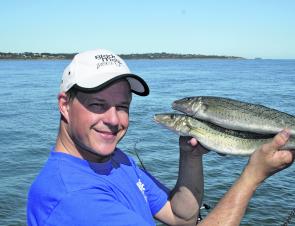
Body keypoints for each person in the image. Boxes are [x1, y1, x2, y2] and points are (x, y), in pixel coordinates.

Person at [27, 49, 295, 226]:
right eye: (98, 105)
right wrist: (252, 177)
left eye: (122, 107)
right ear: (64, 105)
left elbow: (182, 216)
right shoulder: (71, 197)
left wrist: (190, 157)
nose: (113, 119)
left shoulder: (116, 161)